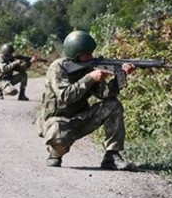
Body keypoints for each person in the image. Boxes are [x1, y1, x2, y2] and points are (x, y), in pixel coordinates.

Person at [38, 30, 137, 170]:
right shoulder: (58, 67)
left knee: (113, 105)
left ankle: (112, 156)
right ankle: (55, 154)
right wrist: (90, 78)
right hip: (57, 120)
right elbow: (66, 96)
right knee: (59, 134)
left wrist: (121, 77)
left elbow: (105, 95)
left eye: (91, 53)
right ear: (75, 54)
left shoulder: (89, 67)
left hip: (80, 118)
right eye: (87, 54)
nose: (91, 57)